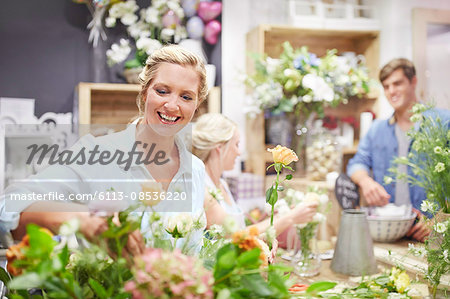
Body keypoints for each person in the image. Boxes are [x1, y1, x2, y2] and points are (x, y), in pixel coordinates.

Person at [0, 45, 209, 254]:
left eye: (186, 97)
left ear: (196, 105)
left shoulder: (196, 170)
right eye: (162, 91)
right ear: (145, 92)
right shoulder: (95, 154)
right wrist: (84, 218)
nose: (172, 106)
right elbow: (8, 205)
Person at [347, 58, 450, 242]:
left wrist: (441, 219)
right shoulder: (377, 129)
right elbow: (357, 163)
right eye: (386, 86)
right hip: (390, 233)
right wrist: (366, 182)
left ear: (413, 81)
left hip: (433, 236)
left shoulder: (443, 123)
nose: (391, 91)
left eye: (397, 83)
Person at [191, 113, 318, 239]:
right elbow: (237, 237)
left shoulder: (221, 184)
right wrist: (290, 218)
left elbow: (244, 232)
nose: (238, 152)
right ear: (219, 147)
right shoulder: (202, 188)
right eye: (236, 145)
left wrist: (282, 216)